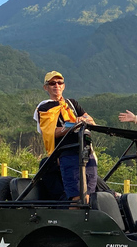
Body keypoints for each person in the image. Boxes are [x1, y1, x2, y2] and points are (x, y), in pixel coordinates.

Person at [34, 71, 98, 202]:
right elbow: (50, 132)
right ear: (46, 87)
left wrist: (84, 120)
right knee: (76, 196)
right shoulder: (45, 107)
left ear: (64, 86)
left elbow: (90, 120)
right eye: (52, 83)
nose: (56, 85)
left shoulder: (72, 103)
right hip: (67, 153)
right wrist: (73, 125)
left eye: (59, 82)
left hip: (85, 151)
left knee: (89, 195)